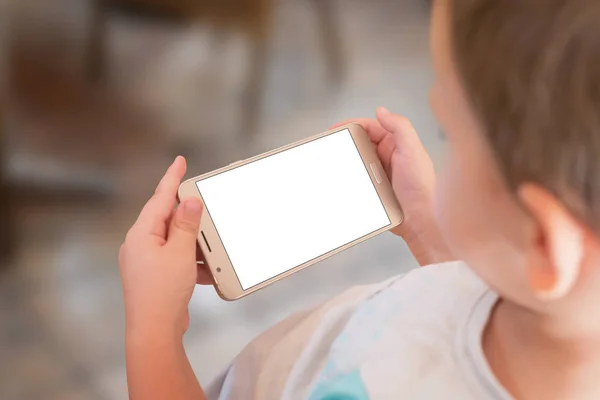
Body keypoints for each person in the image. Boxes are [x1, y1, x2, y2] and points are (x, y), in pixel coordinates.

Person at [118, 0, 600, 398]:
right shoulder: (540, 305)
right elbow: (471, 293)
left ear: (541, 241)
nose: (441, 149)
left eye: (448, 135)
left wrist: (154, 330)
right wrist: (426, 226)